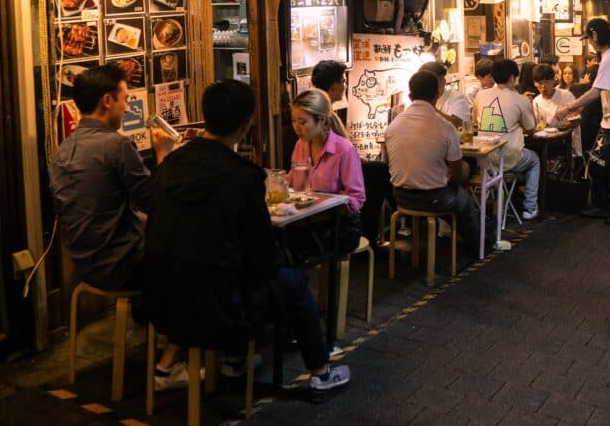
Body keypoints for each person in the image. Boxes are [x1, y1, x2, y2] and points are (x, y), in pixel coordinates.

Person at [144, 80, 350, 396]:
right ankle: (321, 373)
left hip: (162, 293)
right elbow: (262, 257)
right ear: (247, 124)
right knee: (291, 281)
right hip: (220, 302)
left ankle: (234, 359)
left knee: (216, 267)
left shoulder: (169, 164)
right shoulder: (243, 176)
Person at [48, 64, 186, 389]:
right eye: (125, 99)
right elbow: (156, 202)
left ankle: (158, 329)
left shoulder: (62, 151)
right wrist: (163, 154)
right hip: (123, 266)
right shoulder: (116, 146)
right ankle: (171, 364)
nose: (128, 107)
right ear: (107, 100)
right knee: (193, 263)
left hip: (84, 266)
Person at [384, 71, 486, 254]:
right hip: (434, 198)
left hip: (398, 196)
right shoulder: (445, 127)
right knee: (465, 202)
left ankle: (455, 232)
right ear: (437, 95)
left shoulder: (393, 125)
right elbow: (456, 172)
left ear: (409, 95)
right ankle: (477, 248)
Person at [555, 19, 610, 226]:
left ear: (594, 35)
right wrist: (581, 107)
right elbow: (603, 91)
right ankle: (603, 207)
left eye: (589, 39)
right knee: (598, 166)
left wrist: (568, 107)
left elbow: (596, 90)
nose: (589, 44)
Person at [473, 59, 541, 220]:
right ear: (512, 77)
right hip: (508, 158)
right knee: (535, 160)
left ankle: (501, 201)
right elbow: (531, 129)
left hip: (484, 160)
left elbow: (476, 121)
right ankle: (530, 208)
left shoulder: (480, 95)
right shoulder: (521, 99)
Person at [288, 89, 366, 217]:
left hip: (336, 225)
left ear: (322, 120)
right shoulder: (300, 145)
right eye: (293, 121)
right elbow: (292, 182)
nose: (296, 127)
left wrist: (328, 206)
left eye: (302, 122)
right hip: (304, 219)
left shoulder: (344, 150)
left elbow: (356, 198)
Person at [531, 64, 580, 156]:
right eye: (539, 82)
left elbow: (577, 121)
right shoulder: (536, 101)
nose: (543, 86)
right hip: (547, 143)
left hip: (567, 143)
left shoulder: (566, 95)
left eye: (546, 81)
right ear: (534, 83)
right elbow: (538, 125)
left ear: (554, 80)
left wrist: (565, 126)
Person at [418, 61, 470, 127]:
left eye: (431, 82)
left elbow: (459, 125)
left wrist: (431, 108)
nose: (428, 86)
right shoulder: (421, 99)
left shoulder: (456, 98)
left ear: (443, 82)